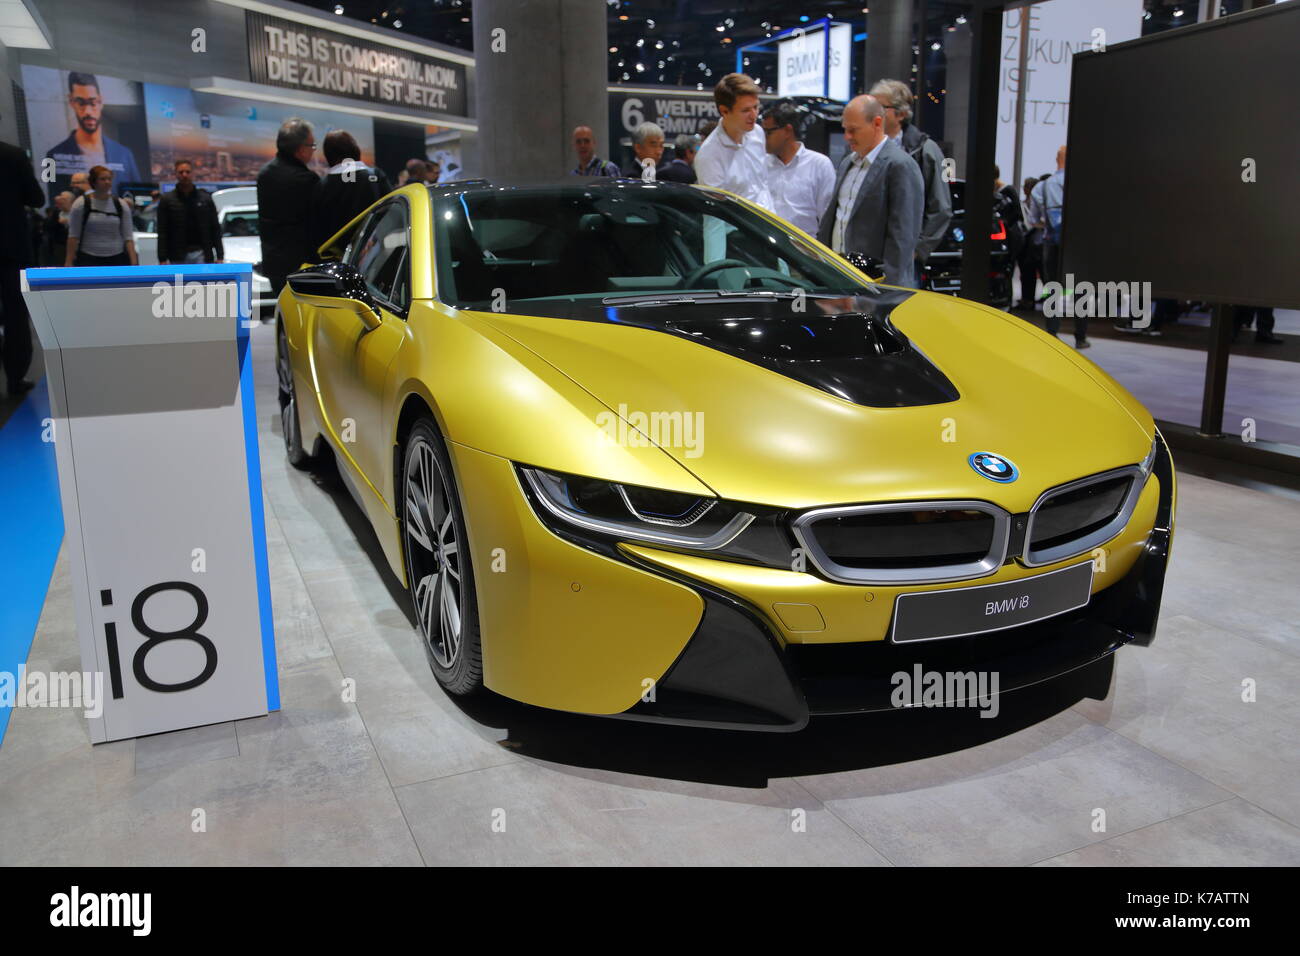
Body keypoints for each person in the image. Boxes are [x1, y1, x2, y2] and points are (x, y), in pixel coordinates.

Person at [817, 95, 924, 288]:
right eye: (845, 130)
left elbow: (903, 236)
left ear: (877, 123)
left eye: (853, 130)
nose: (847, 136)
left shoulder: (900, 165)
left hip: (875, 283)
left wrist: (891, 290)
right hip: (838, 277)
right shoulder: (847, 162)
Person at [869, 79, 952, 266]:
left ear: (901, 114)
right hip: (864, 256)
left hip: (902, 261)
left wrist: (916, 251)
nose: (872, 113)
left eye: (880, 107)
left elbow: (941, 208)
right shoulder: (861, 148)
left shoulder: (926, 151)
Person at [44, 72, 142, 196]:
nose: (88, 111)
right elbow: (53, 199)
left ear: (101, 101)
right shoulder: (52, 156)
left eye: (93, 102)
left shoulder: (125, 154)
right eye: (81, 103)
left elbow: (138, 193)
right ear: (71, 101)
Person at [1029, 145, 1088, 348]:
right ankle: (1080, 337)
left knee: (1052, 287)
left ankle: (1052, 332)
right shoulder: (1084, 185)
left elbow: (1034, 219)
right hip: (1078, 244)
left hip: (1051, 243)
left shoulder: (1041, 187)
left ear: (1057, 159)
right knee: (1080, 288)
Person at [0, 138, 45, 397]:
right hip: (11, 249)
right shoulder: (14, 156)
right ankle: (15, 378)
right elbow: (36, 199)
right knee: (16, 317)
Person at [256, 118, 318, 299]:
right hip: (301, 265)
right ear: (300, 150)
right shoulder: (306, 180)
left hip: (273, 262)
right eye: (312, 145)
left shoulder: (265, 173)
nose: (313, 151)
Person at [694, 73, 772, 209]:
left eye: (756, 107)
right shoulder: (709, 155)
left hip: (768, 223)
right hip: (738, 228)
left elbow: (762, 185)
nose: (754, 115)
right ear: (724, 111)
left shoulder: (757, 133)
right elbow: (715, 212)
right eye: (746, 110)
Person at [761, 100, 836, 236]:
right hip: (766, 248)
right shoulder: (761, 165)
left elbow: (827, 218)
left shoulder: (819, 165)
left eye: (768, 132)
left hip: (804, 252)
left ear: (787, 130)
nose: (763, 138)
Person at [312, 129, 392, 248]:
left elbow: (318, 226)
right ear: (354, 148)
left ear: (328, 154)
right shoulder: (375, 176)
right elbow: (392, 209)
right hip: (372, 252)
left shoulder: (321, 186)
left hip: (336, 255)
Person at [65, 165, 137, 267]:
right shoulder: (80, 204)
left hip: (117, 258)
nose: (107, 182)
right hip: (89, 258)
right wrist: (68, 262)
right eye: (102, 179)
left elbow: (128, 237)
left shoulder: (121, 204)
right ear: (94, 182)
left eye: (109, 179)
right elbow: (73, 236)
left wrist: (133, 262)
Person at [156, 160, 223, 265]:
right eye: (181, 172)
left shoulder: (205, 199)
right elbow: (162, 231)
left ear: (193, 173)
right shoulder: (167, 200)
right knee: (179, 281)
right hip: (177, 256)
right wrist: (162, 259)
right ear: (176, 174)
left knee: (203, 281)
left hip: (202, 254)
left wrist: (220, 256)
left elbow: (215, 228)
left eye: (188, 172)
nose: (184, 175)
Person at [1016, 177, 1043, 310]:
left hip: (1032, 241)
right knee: (1026, 273)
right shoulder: (1026, 203)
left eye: (1026, 186)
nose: (1024, 189)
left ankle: (1028, 299)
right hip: (1027, 241)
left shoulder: (1033, 203)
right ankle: (1027, 298)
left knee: (1029, 272)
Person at [40, 191, 74, 267]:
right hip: (60, 245)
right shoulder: (56, 212)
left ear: (71, 201)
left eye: (64, 199)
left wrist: (69, 222)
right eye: (60, 198)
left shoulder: (77, 210)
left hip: (74, 244)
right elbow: (48, 227)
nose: (61, 200)